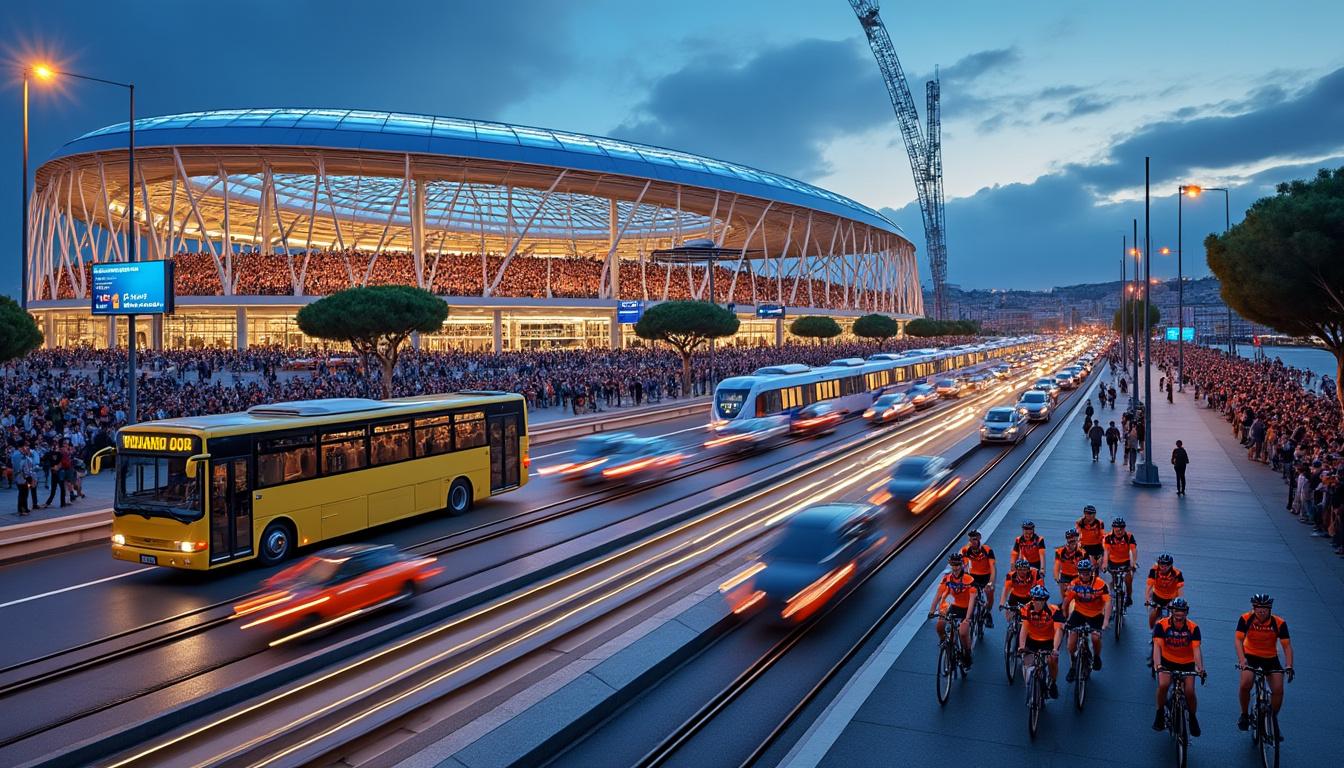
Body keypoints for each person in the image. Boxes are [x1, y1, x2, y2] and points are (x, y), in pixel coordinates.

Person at [1235, 593, 1294, 735]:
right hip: (1250, 656)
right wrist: (1242, 659)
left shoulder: (1279, 623)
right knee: (1245, 684)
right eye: (1258, 608)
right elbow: (1238, 640)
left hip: (1270, 658)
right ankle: (1244, 715)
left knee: (1278, 690)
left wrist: (1289, 665)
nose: (1262, 611)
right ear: (1254, 608)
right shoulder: (1245, 619)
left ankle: (1272, 719)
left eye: (1265, 608)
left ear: (1270, 609)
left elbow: (1286, 646)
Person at [1152, 597, 1204, 736]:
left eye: (1182, 611)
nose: (1179, 614)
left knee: (1189, 692)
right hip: (1167, 661)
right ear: (1172, 611)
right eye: (1176, 611)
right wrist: (1157, 665)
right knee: (1163, 685)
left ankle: (1193, 717)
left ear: (1186, 613)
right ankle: (1160, 713)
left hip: (1187, 663)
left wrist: (1200, 668)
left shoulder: (1194, 628)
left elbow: (1196, 650)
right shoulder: (1161, 625)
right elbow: (1157, 647)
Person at [928, 553, 978, 668]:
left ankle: (967, 653)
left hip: (966, 606)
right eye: (953, 565)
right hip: (952, 603)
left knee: (963, 632)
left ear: (961, 565)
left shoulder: (969, 580)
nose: (955, 568)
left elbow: (971, 600)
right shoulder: (946, 578)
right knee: (939, 626)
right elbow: (939, 594)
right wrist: (932, 610)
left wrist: (967, 618)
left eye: (957, 565)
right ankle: (946, 643)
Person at [1062, 558, 1110, 678]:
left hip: (1096, 614)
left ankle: (1097, 657)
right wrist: (1065, 618)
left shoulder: (1100, 584)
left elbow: (1108, 603)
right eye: (1082, 573)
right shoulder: (1074, 584)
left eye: (1087, 572)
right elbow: (1066, 602)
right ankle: (1073, 664)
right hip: (1079, 613)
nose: (1084, 575)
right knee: (1071, 643)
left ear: (1091, 572)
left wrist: (1105, 622)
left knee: (1095, 637)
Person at [1018, 584, 1063, 699]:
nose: (1037, 602)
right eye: (1035, 599)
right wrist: (1021, 646)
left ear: (1045, 601)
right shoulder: (1026, 609)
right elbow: (1024, 628)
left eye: (1040, 600)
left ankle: (1053, 682)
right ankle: (1030, 686)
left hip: (1049, 641)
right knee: (1027, 663)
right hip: (1032, 640)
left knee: (1052, 660)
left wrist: (1055, 649)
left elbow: (1058, 630)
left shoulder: (1054, 611)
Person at [960, 530, 997, 628]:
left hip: (986, 576)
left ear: (979, 539)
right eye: (971, 539)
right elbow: (963, 566)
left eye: (975, 539)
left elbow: (992, 567)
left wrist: (991, 583)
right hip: (973, 576)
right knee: (969, 595)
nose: (973, 542)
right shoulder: (965, 550)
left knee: (990, 596)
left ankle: (988, 613)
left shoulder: (987, 549)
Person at [1101, 517, 1137, 605]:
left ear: (1124, 528)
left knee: (1129, 581)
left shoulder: (1129, 536)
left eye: (1121, 530)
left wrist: (1134, 563)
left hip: (1126, 561)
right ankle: (1113, 593)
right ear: (1113, 529)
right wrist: (1105, 564)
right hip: (1112, 562)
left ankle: (1129, 597)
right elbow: (1106, 551)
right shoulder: (1108, 538)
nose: (1119, 532)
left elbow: (1133, 550)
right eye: (1117, 530)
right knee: (1114, 579)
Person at [1145, 552, 1184, 628]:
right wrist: (1147, 599)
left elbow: (1180, 590)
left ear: (1170, 566)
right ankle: (1153, 632)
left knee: (1175, 617)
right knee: (1153, 614)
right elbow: (1149, 586)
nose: (1163, 568)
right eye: (1161, 565)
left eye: (1166, 566)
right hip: (1157, 596)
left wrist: (1179, 602)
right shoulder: (1154, 570)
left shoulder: (1177, 574)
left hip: (1170, 598)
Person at [1054, 529, 1084, 601]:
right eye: (1071, 538)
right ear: (1067, 540)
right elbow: (1057, 565)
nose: (1073, 540)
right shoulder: (1060, 551)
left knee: (1079, 597)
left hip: (1077, 576)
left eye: (1075, 538)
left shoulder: (1082, 551)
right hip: (1065, 576)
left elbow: (1086, 566)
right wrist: (1056, 577)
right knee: (1064, 598)